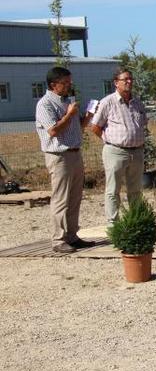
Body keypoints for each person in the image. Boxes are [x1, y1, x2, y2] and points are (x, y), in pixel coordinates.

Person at [35, 67, 96, 253]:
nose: (69, 86)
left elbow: (79, 125)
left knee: (75, 197)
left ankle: (72, 235)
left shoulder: (67, 101)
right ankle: (58, 239)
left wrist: (89, 115)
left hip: (75, 153)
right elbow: (53, 130)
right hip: (59, 156)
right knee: (61, 198)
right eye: (66, 83)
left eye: (70, 82)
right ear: (54, 85)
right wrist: (69, 114)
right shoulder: (45, 104)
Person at [90, 68, 148, 225]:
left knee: (135, 189)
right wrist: (108, 139)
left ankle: (136, 220)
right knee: (113, 190)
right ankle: (113, 223)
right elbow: (95, 126)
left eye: (130, 79)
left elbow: (143, 123)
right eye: (125, 79)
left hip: (136, 152)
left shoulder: (137, 102)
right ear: (116, 83)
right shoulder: (107, 102)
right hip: (115, 151)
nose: (129, 82)